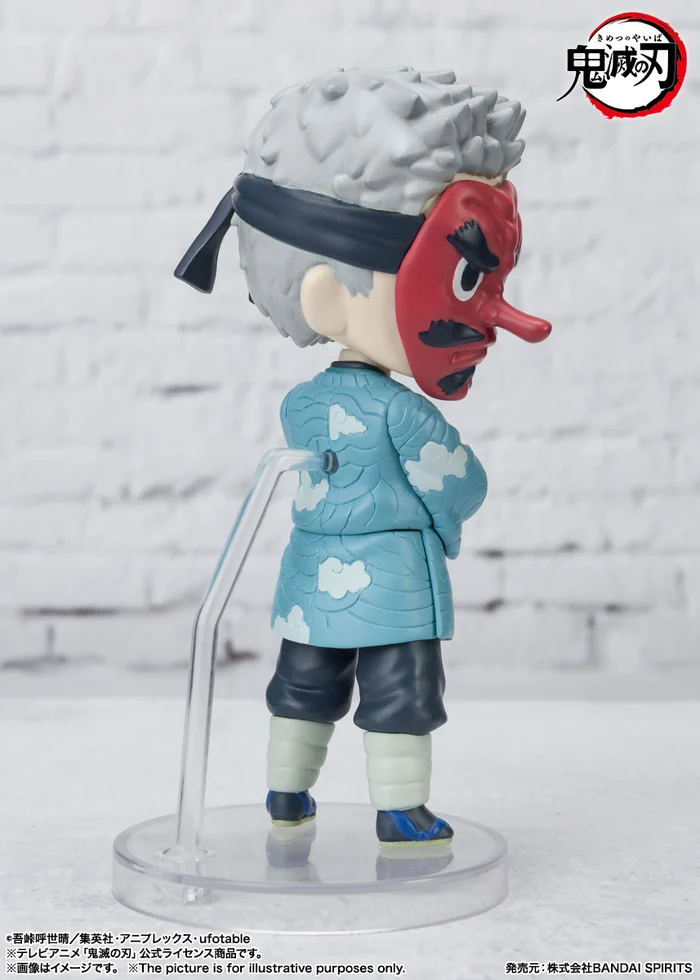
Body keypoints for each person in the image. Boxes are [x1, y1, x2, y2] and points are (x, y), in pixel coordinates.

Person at [175, 66, 551, 846]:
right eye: (463, 275)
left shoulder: (299, 404)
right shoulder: (402, 411)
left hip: (309, 581)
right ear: (325, 296)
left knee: (301, 684)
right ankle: (400, 809)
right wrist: (439, 524)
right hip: (393, 590)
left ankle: (286, 794)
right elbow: (460, 483)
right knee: (399, 695)